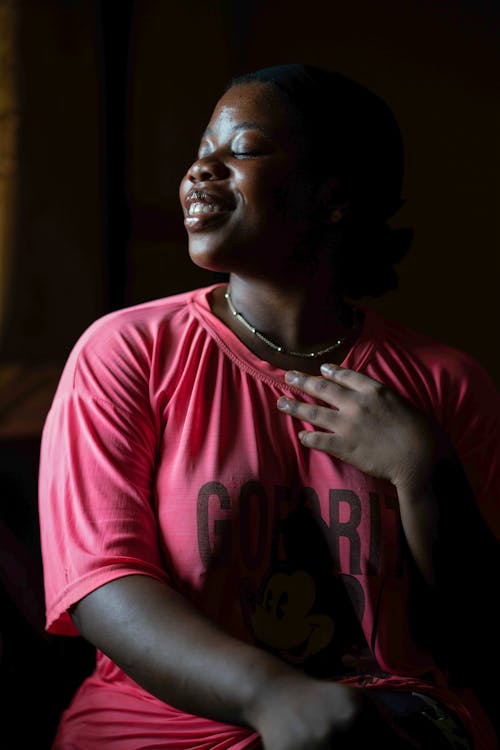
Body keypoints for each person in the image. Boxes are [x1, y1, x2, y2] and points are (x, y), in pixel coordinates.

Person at [38, 64, 500, 750]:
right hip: (159, 730)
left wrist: (423, 473)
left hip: (389, 728)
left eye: (242, 151)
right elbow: (102, 581)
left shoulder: (445, 384)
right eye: (202, 152)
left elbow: (478, 641)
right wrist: (273, 696)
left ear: (332, 198)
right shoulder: (127, 351)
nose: (200, 171)